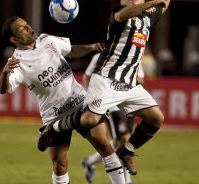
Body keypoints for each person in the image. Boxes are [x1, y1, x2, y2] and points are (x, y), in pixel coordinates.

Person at [39, 0, 170, 176]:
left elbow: (165, 4)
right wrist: (150, 4)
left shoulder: (147, 17)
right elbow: (127, 13)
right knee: (89, 121)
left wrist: (154, 5)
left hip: (130, 84)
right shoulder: (119, 14)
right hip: (106, 79)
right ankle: (53, 128)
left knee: (156, 118)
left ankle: (126, 152)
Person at [0, 16, 126, 184]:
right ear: (14, 39)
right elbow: (4, 89)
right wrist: (5, 73)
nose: (29, 28)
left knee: (104, 145)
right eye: (22, 28)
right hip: (55, 116)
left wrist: (92, 47)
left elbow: (70, 50)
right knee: (60, 165)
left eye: (27, 24)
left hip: (81, 103)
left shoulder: (46, 39)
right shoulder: (16, 62)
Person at [81, 52, 143, 184]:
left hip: (128, 104)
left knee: (117, 142)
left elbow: (141, 79)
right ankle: (127, 181)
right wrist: (91, 95)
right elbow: (86, 76)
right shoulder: (99, 56)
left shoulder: (134, 54)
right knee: (124, 140)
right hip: (112, 104)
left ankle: (89, 162)